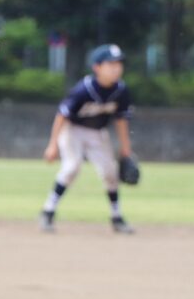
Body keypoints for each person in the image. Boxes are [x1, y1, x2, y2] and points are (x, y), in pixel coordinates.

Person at [40, 43, 135, 234]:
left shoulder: (121, 90)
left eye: (119, 64)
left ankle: (116, 217)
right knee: (72, 167)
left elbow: (121, 120)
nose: (117, 68)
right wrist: (52, 145)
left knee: (110, 172)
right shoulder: (84, 89)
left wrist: (126, 148)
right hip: (72, 131)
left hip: (97, 134)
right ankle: (48, 211)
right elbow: (61, 115)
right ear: (97, 67)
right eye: (111, 64)